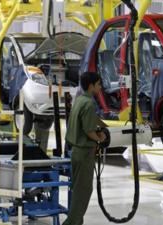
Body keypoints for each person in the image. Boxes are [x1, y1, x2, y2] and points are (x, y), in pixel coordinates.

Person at [63, 72, 106, 225]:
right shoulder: (88, 103)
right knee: (83, 191)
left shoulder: (80, 100)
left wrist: (106, 126)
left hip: (76, 151)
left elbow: (93, 119)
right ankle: (71, 223)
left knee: (78, 190)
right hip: (85, 152)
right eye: (98, 84)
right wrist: (100, 138)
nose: (100, 87)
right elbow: (89, 130)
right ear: (91, 86)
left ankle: (76, 222)